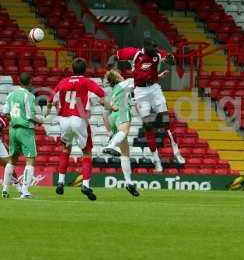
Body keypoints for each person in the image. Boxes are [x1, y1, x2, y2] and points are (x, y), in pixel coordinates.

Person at [108, 37, 185, 173]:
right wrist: (112, 62)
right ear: (146, 47)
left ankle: (177, 152)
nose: (155, 50)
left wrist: (171, 60)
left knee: (166, 121)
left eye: (156, 47)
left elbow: (169, 59)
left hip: (155, 89)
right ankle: (157, 161)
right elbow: (116, 55)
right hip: (140, 92)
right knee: (148, 126)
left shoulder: (157, 53)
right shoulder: (135, 53)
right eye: (153, 47)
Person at [46, 58, 105, 201]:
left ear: (72, 69)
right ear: (85, 69)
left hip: (64, 120)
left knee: (66, 149)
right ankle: (85, 184)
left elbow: (50, 98)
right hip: (79, 119)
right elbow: (101, 93)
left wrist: (49, 110)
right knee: (86, 152)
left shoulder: (63, 81)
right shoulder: (86, 81)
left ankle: (60, 181)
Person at [2, 73, 44, 199]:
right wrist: (39, 121)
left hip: (13, 130)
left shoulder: (11, 95)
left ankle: (5, 189)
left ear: (19, 81)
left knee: (12, 160)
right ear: (30, 82)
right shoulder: (29, 95)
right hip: (25, 130)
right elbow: (30, 115)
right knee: (30, 159)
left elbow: (5, 113)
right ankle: (25, 190)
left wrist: (14, 120)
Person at [102, 69, 139, 197]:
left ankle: (129, 183)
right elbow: (141, 79)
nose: (122, 75)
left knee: (125, 152)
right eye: (120, 74)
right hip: (122, 111)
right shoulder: (124, 84)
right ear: (117, 77)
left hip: (113, 116)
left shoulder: (113, 90)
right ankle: (110, 145)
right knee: (124, 131)